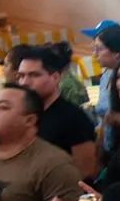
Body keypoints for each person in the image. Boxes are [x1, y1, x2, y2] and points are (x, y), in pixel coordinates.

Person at [14, 45, 97, 178]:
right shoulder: (21, 115)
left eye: (34, 75)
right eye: (21, 76)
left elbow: (86, 172)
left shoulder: (74, 119)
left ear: (55, 77)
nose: (24, 82)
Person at [84, 20, 120, 123]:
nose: (94, 54)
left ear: (116, 52)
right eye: (94, 48)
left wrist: (118, 119)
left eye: (98, 48)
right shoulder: (106, 75)